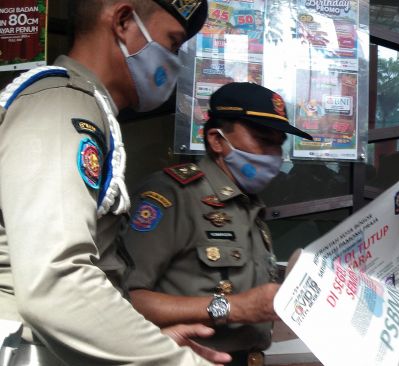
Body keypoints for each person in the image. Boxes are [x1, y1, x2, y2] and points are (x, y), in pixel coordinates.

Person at [0, 0, 232, 365]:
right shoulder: (61, 106)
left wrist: (153, 342)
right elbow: (58, 283)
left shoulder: (91, 110)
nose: (177, 62)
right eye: (172, 44)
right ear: (124, 21)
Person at [119, 82, 313, 366]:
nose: (273, 155)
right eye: (262, 140)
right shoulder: (173, 195)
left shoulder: (249, 206)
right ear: (217, 140)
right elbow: (123, 298)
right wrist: (231, 308)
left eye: (278, 145)